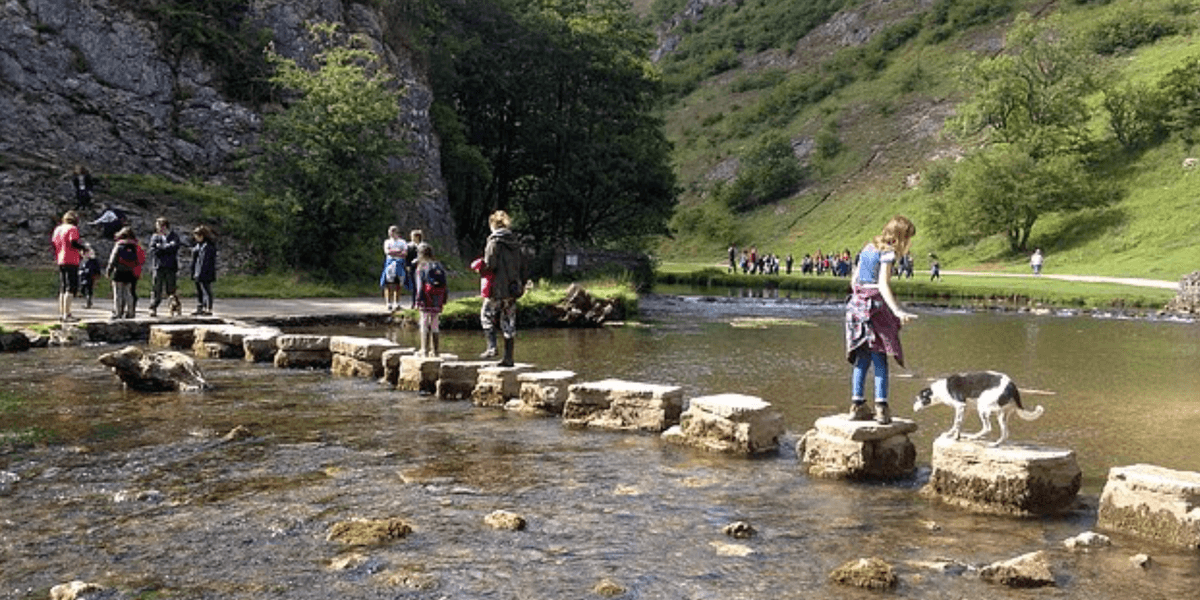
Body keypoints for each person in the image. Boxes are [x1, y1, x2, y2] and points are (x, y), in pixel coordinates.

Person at [845, 215, 918, 425]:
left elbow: (854, 280)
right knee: (880, 359)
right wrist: (896, 311)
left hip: (856, 308)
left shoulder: (868, 248)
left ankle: (857, 405)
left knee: (861, 358)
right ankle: (881, 409)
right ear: (899, 237)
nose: (909, 244)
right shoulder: (887, 253)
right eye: (908, 239)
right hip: (875, 309)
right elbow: (883, 285)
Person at [480, 210, 526, 366]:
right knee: (509, 321)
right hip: (513, 288)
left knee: (486, 315)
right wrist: (522, 284)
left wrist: (480, 268)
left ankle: (492, 347)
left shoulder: (494, 241)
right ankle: (509, 358)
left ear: (493, 224)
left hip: (497, 288)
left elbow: (490, 264)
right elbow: (523, 265)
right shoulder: (516, 242)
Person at [51, 210, 88, 322]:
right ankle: (67, 314)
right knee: (71, 287)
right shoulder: (72, 229)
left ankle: (62, 313)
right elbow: (73, 242)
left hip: (60, 259)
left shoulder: (58, 229)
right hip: (71, 259)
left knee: (63, 287)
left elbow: (54, 243)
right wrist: (83, 248)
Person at [414, 243, 448, 357]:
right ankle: (436, 351)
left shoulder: (421, 267)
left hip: (426, 298)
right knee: (435, 323)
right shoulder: (439, 265)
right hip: (437, 298)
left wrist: (417, 300)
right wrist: (444, 299)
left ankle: (424, 350)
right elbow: (445, 284)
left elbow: (419, 286)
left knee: (424, 322)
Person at [105, 226, 144, 319]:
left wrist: (109, 270)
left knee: (118, 294)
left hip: (118, 272)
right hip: (130, 272)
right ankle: (131, 312)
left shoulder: (119, 245)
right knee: (128, 293)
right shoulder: (135, 246)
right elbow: (139, 260)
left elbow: (113, 259)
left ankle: (118, 313)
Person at [147, 217, 182, 317]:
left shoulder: (173, 236)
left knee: (171, 288)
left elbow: (174, 248)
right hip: (158, 266)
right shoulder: (155, 237)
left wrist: (161, 247)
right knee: (156, 288)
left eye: (160, 227)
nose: (158, 229)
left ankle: (174, 307)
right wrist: (165, 247)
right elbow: (153, 250)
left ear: (165, 226)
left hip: (170, 266)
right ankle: (153, 307)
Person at [191, 225, 217, 315]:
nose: (195, 238)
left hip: (205, 272)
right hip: (197, 271)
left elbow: (205, 262)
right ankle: (200, 307)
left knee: (206, 290)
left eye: (197, 236)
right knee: (199, 291)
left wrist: (201, 273)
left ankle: (208, 308)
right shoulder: (199, 246)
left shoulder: (208, 247)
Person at [380, 226, 407, 311]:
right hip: (390, 264)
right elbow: (387, 252)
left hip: (399, 264)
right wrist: (398, 251)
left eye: (394, 231)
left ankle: (397, 302)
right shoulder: (387, 242)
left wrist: (394, 252)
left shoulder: (402, 242)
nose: (391, 233)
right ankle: (389, 302)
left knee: (398, 284)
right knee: (389, 284)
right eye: (390, 231)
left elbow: (405, 253)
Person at [406, 229, 424, 308]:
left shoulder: (423, 245)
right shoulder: (409, 246)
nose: (411, 237)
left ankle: (421, 302)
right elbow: (407, 257)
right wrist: (408, 266)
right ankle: (414, 303)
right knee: (414, 286)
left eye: (413, 236)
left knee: (421, 285)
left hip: (422, 267)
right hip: (413, 267)